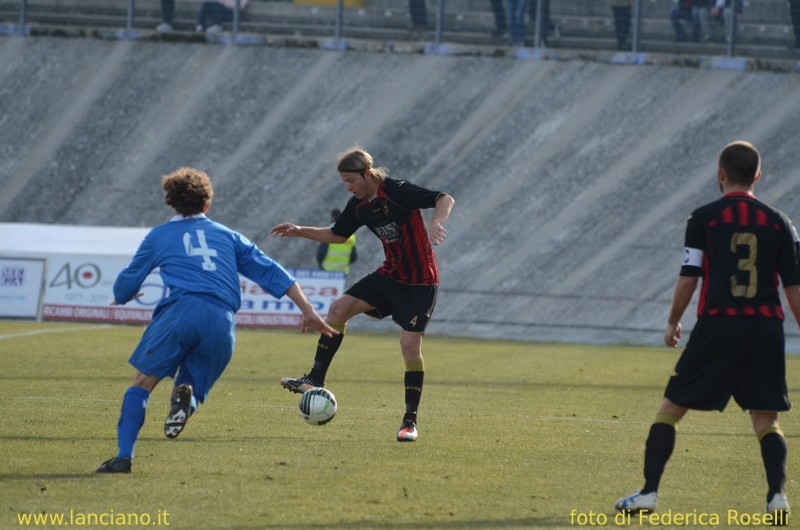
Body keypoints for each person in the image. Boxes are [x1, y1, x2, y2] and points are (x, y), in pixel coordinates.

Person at [96, 167, 336, 473]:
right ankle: (187, 401)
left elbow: (127, 284)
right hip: (222, 321)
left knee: (142, 384)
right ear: (207, 203)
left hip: (182, 311)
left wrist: (122, 295)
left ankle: (123, 457)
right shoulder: (228, 236)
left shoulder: (159, 236)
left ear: (171, 203)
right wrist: (309, 311)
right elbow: (274, 273)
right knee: (191, 387)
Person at [614, 141, 800, 523]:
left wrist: (672, 321)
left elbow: (689, 277)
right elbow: (794, 287)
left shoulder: (703, 217)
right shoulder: (780, 222)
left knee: (670, 409)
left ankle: (648, 493)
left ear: (721, 174)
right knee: (767, 420)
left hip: (719, 324)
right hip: (766, 327)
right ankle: (777, 499)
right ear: (758, 176)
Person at [271, 146, 455, 443]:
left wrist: (436, 221)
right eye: (344, 181)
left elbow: (443, 198)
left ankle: (410, 422)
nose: (348, 186)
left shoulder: (398, 191)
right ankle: (314, 379)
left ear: (367, 174)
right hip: (389, 275)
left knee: (409, 347)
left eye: (351, 180)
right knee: (338, 309)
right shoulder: (358, 205)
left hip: (420, 283)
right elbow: (338, 235)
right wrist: (300, 230)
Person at [316, 208, 357, 274]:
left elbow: (321, 253)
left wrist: (320, 264)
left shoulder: (329, 231)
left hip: (327, 270)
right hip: (342, 272)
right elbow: (353, 257)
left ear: (332, 218)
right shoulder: (351, 235)